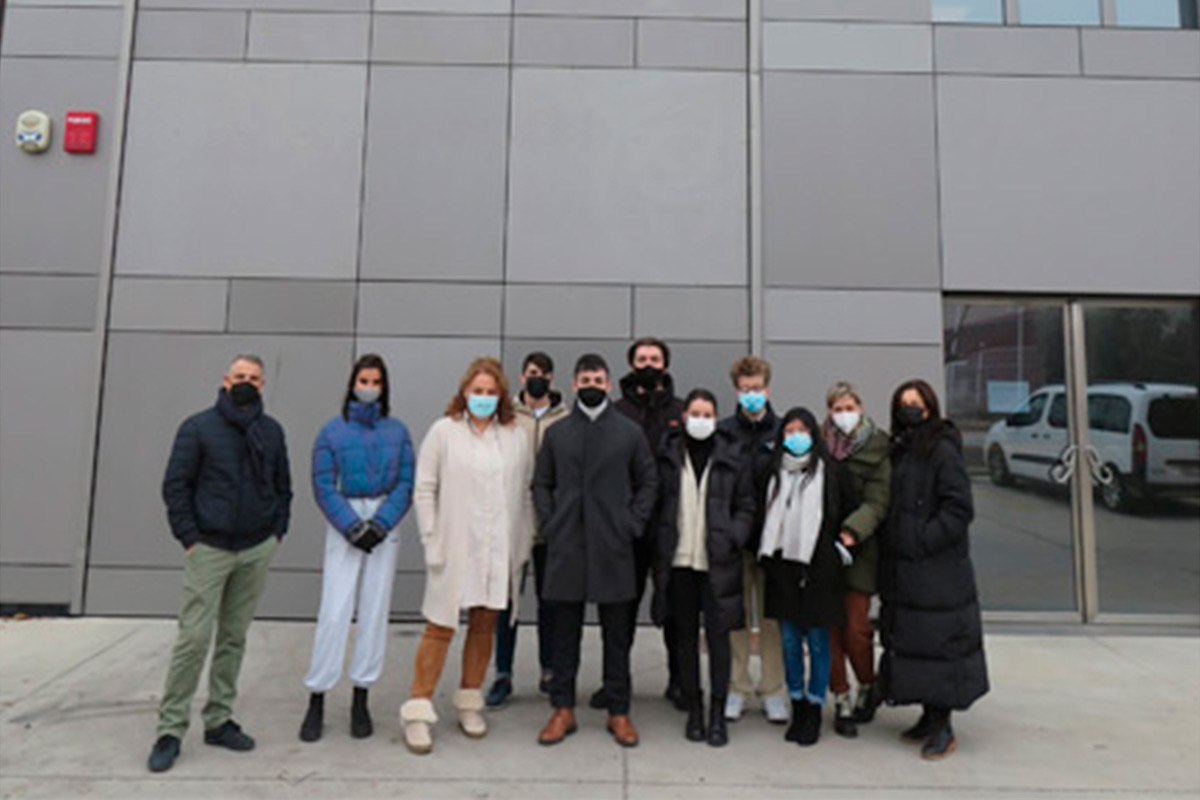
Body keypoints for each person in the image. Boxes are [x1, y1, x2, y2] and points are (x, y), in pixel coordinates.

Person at [147, 354, 293, 773]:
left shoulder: (272, 431)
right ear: (226, 380)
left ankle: (219, 719)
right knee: (193, 639)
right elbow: (176, 486)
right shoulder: (197, 428)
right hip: (209, 548)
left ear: (263, 385)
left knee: (233, 637)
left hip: (255, 548)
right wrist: (190, 539)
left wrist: (276, 532)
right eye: (239, 375)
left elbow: (283, 486)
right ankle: (170, 730)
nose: (246, 382)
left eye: (254, 377)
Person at [400, 357, 534, 755]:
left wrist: (522, 543)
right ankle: (418, 710)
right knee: (440, 626)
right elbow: (425, 489)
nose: (484, 398)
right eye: (478, 391)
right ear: (464, 392)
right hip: (455, 545)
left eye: (491, 392)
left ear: (502, 396)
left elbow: (525, 492)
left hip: (497, 547)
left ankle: (469, 699)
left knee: (484, 623)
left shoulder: (514, 436)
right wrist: (431, 538)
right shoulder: (444, 432)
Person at [534, 354, 658, 749]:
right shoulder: (557, 434)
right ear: (574, 385)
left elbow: (648, 481)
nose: (591, 385)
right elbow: (541, 483)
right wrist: (551, 524)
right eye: (585, 379)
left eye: (598, 379)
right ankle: (562, 709)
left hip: (613, 545)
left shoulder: (628, 432)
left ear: (608, 384)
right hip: (567, 545)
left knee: (617, 635)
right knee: (564, 634)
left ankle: (619, 711)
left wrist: (631, 524)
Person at [299, 354, 415, 743]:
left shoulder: (398, 431)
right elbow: (322, 484)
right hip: (345, 520)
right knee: (334, 610)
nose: (369, 388)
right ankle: (317, 695)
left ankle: (361, 696)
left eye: (376, 382)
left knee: (374, 610)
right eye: (364, 381)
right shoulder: (331, 432)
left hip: (384, 520)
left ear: (385, 387)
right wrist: (350, 526)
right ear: (352, 383)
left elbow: (406, 481)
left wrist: (382, 523)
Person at [878, 379, 989, 760]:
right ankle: (928, 716)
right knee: (918, 645)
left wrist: (922, 540)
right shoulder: (901, 449)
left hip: (937, 571)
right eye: (903, 403)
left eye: (916, 402)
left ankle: (943, 725)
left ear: (930, 407)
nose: (909, 409)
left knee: (940, 645)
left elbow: (959, 508)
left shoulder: (941, 449)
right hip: (906, 569)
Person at [652, 389, 755, 747]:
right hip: (679, 561)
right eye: (694, 413)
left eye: (707, 414)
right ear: (684, 417)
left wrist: (734, 537)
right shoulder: (668, 454)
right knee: (684, 640)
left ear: (716, 418)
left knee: (718, 639)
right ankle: (694, 710)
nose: (700, 420)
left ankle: (717, 714)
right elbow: (656, 502)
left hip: (718, 563)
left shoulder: (731, 455)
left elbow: (746, 505)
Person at [755, 407, 855, 747]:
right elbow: (761, 516)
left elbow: (850, 511)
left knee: (818, 641)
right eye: (789, 431)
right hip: (782, 568)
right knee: (788, 641)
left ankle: (814, 706)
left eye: (802, 430)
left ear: (813, 434)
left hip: (820, 568)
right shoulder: (771, 472)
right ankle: (796, 702)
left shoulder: (833, 472)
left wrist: (842, 545)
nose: (796, 436)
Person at [485, 352, 570, 708]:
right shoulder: (506, 417)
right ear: (522, 377)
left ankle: (548, 671)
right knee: (507, 603)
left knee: (550, 603)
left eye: (545, 374)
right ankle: (503, 674)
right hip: (513, 522)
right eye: (533, 373)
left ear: (552, 379)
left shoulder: (565, 418)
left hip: (550, 523)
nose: (539, 379)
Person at [609, 336, 686, 710]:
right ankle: (616, 683)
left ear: (665, 365)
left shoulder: (681, 411)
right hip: (628, 526)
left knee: (673, 606)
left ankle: (680, 682)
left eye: (655, 359)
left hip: (670, 524)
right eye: (642, 359)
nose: (649, 365)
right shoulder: (616, 412)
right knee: (621, 609)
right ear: (631, 364)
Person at [718, 356, 788, 724]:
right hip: (736, 543)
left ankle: (773, 689)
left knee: (772, 619)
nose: (752, 395)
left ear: (768, 389)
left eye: (757, 388)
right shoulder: (724, 432)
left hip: (773, 544)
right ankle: (738, 687)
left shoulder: (784, 431)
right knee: (738, 619)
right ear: (736, 391)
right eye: (745, 389)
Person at [821, 381, 891, 738]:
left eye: (849, 408)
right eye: (837, 409)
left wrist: (850, 533)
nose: (844, 414)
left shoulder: (878, 447)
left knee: (856, 628)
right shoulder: (819, 445)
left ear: (860, 408)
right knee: (828, 631)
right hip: (821, 552)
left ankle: (868, 682)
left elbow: (878, 502)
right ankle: (841, 697)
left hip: (859, 549)